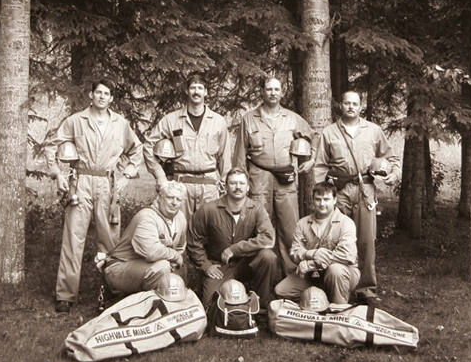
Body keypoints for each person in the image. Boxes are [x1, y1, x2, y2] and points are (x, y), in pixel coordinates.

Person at [45, 80, 143, 313]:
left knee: (109, 240)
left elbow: (136, 150)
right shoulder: (76, 121)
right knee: (73, 238)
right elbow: (51, 145)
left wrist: (126, 176)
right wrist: (57, 174)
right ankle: (66, 295)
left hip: (108, 184)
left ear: (111, 99)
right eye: (98, 92)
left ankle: (112, 290)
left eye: (106, 93)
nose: (102, 96)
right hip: (80, 182)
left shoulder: (120, 123)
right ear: (91, 95)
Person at [314, 90, 400, 305]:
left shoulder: (373, 130)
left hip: (365, 189)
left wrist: (393, 174)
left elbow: (391, 157)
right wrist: (323, 193)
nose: (351, 107)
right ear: (340, 106)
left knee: (367, 240)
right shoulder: (329, 132)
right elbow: (320, 165)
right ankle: (335, 283)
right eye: (347, 103)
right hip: (339, 192)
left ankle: (366, 289)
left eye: (355, 103)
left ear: (360, 106)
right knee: (334, 237)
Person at [232, 76, 318, 274]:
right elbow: (239, 154)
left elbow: (314, 136)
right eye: (269, 89)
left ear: (282, 92)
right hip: (258, 176)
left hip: (286, 179)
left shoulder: (292, 118)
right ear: (262, 91)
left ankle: (290, 274)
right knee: (259, 225)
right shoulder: (249, 119)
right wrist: (239, 182)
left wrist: (311, 160)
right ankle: (260, 272)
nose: (272, 93)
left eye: (276, 89)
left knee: (289, 227)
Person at [188, 167, 280, 308]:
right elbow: (193, 240)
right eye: (233, 183)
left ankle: (260, 306)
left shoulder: (257, 209)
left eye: (242, 184)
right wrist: (206, 265)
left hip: (247, 264)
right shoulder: (209, 209)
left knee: (268, 257)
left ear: (248, 187)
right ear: (225, 186)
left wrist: (235, 249)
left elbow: (268, 238)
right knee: (210, 305)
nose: (238, 187)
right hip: (220, 266)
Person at [143, 74, 231, 220]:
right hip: (180, 186)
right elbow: (148, 146)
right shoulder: (171, 120)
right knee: (179, 229)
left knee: (210, 230)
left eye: (200, 88)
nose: (196, 92)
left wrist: (224, 182)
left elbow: (225, 156)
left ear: (206, 92)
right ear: (187, 91)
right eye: (193, 88)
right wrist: (160, 176)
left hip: (209, 187)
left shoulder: (218, 121)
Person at [275, 181, 360, 304]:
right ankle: (313, 303)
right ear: (313, 200)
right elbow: (294, 251)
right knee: (281, 291)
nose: (322, 204)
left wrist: (311, 264)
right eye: (318, 199)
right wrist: (312, 253)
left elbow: (347, 255)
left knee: (335, 271)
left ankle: (338, 309)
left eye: (326, 199)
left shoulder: (346, 223)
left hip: (342, 273)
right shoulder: (302, 223)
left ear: (335, 200)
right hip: (312, 275)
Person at [103, 181, 187, 296]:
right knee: (162, 268)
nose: (174, 203)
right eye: (170, 198)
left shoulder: (180, 218)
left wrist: (176, 261)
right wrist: (175, 256)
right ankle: (143, 302)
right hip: (120, 267)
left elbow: (180, 247)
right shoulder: (147, 216)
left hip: (146, 266)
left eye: (178, 199)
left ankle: (168, 306)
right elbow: (151, 252)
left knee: (180, 270)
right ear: (160, 198)